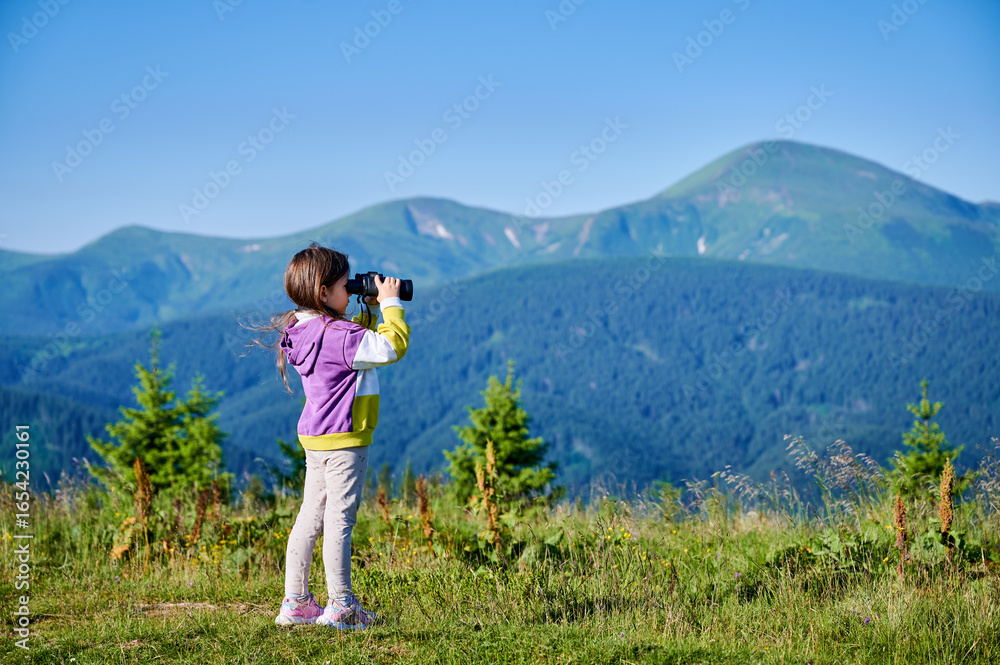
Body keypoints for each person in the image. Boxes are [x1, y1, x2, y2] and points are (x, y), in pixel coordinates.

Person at [261, 242, 410, 629]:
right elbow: (390, 347)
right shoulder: (338, 335)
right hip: (346, 440)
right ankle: (341, 605)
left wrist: (369, 308)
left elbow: (344, 347)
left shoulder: (302, 330)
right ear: (324, 292)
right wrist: (391, 304)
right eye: (347, 286)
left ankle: (295, 601)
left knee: (311, 516)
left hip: (316, 439)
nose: (352, 290)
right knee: (339, 522)